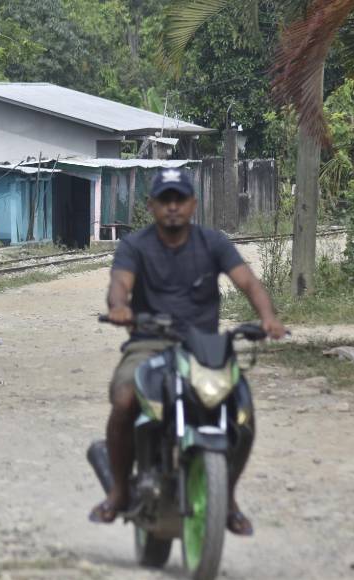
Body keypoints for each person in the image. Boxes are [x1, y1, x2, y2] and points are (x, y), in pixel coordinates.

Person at [89, 167, 287, 536]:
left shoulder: (213, 243)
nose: (173, 207)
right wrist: (120, 307)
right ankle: (118, 491)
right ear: (152, 206)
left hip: (203, 347)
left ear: (193, 204)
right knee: (125, 398)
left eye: (180, 199)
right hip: (150, 342)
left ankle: (225, 497)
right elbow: (120, 285)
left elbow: (248, 281)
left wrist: (267, 317)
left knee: (242, 412)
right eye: (165, 200)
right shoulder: (136, 245)